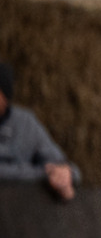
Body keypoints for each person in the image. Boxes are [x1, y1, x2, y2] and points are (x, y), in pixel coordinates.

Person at [0, 61, 80, 200]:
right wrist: (43, 174)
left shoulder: (26, 123)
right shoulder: (41, 173)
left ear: (5, 96)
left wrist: (66, 174)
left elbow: (65, 166)